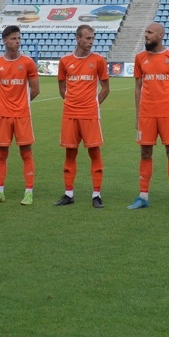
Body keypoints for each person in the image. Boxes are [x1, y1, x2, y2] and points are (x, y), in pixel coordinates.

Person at [127, 22, 169, 211]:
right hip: (146, 114)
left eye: (150, 32)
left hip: (168, 114)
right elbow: (137, 88)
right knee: (145, 153)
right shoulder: (140, 58)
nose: (146, 35)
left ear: (161, 35)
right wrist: (137, 116)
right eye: (145, 32)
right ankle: (143, 196)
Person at [54, 24, 110, 209]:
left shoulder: (99, 60)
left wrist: (92, 104)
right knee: (70, 152)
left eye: (93, 38)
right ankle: (69, 193)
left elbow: (105, 88)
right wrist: (71, 102)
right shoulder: (65, 61)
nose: (91, 42)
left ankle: (96, 194)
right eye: (88, 38)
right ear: (78, 38)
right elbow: (62, 87)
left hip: (90, 114)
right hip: (70, 114)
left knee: (94, 152)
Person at [0, 25, 40, 205]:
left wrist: (21, 103)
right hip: (2, 115)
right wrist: (5, 102)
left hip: (22, 115)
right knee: (1, 154)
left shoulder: (28, 62)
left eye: (19, 38)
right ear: (5, 41)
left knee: (26, 153)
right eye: (14, 38)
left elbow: (35, 90)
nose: (17, 41)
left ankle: (29, 193)